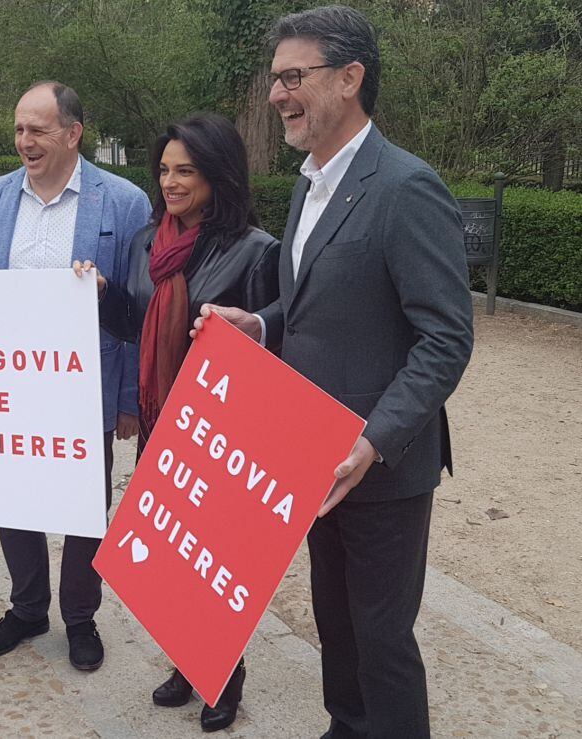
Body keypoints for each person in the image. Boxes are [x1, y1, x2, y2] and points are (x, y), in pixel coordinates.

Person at [193, 6, 474, 737]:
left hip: (379, 463)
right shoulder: (308, 182)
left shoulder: (406, 187)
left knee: (382, 639)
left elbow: (444, 337)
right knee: (336, 623)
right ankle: (347, 727)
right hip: (309, 454)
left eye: (293, 77)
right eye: (275, 79)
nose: (277, 95)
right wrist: (258, 324)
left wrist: (371, 440)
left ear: (350, 78)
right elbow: (314, 302)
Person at [0, 81, 151, 671]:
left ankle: (80, 616)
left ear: (73, 134)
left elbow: (136, 308)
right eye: (19, 130)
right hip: (5, 385)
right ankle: (27, 608)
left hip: (85, 385)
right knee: (12, 498)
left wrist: (129, 397)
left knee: (84, 508)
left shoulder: (124, 202)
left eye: (38, 130)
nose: (24, 141)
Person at [75, 113, 279, 732]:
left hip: (222, 431)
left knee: (217, 559)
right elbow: (132, 325)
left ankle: (225, 675)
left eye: (185, 170)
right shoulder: (145, 243)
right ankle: (187, 662)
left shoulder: (255, 249)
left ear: (217, 175)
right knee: (174, 554)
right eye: (164, 169)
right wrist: (103, 292)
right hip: (163, 420)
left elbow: (276, 340)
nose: (170, 181)